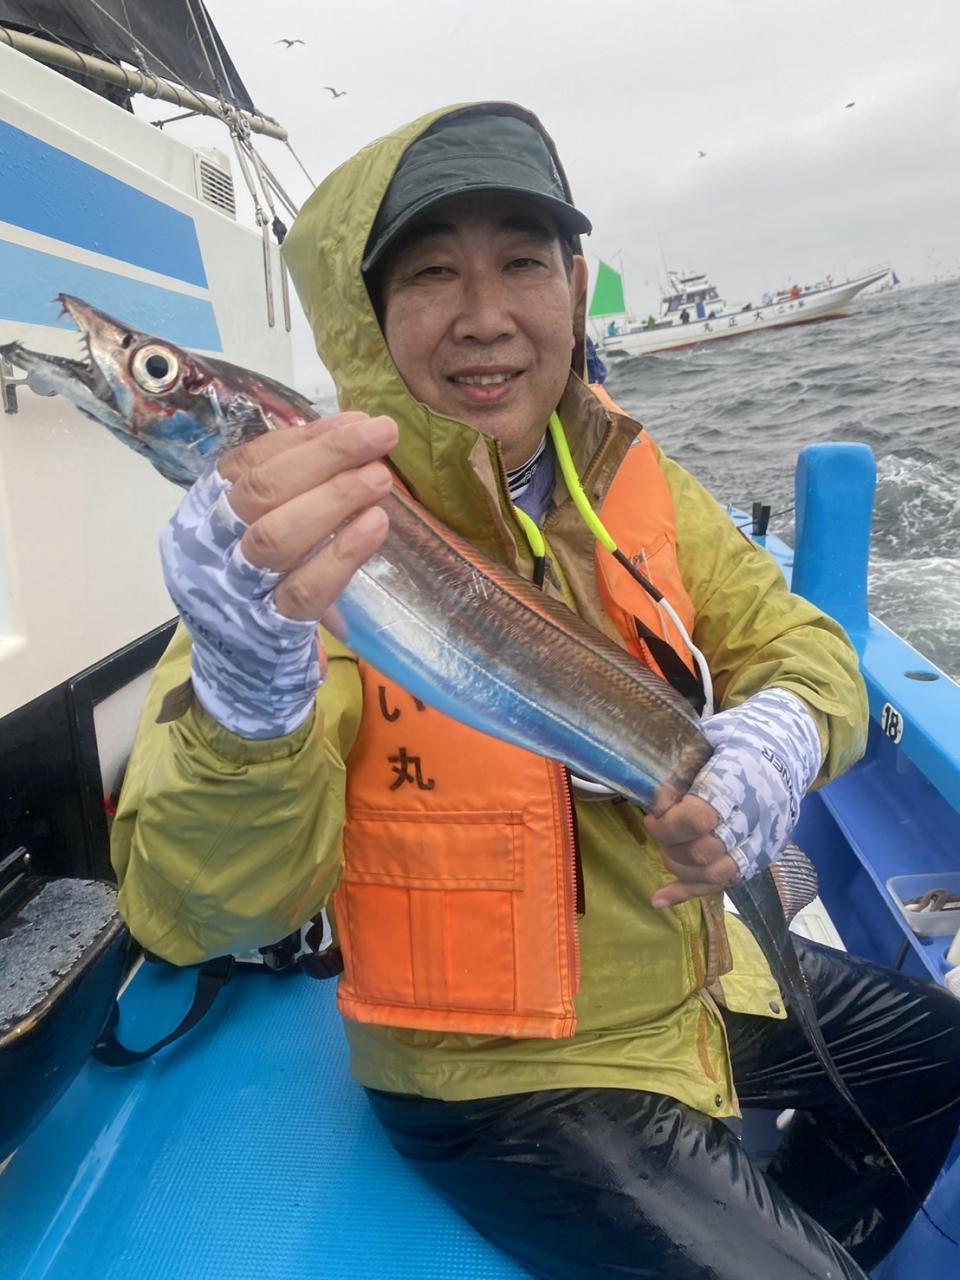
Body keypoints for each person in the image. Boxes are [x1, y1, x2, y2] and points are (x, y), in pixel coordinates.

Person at [112, 104, 960, 1279]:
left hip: (698, 984)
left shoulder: (629, 472)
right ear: (369, 312)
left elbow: (801, 646)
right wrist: (248, 695)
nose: (484, 316)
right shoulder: (300, 542)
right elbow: (199, 913)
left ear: (571, 286)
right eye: (431, 273)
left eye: (521, 261)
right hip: (505, 1076)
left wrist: (781, 734)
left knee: (941, 1057)